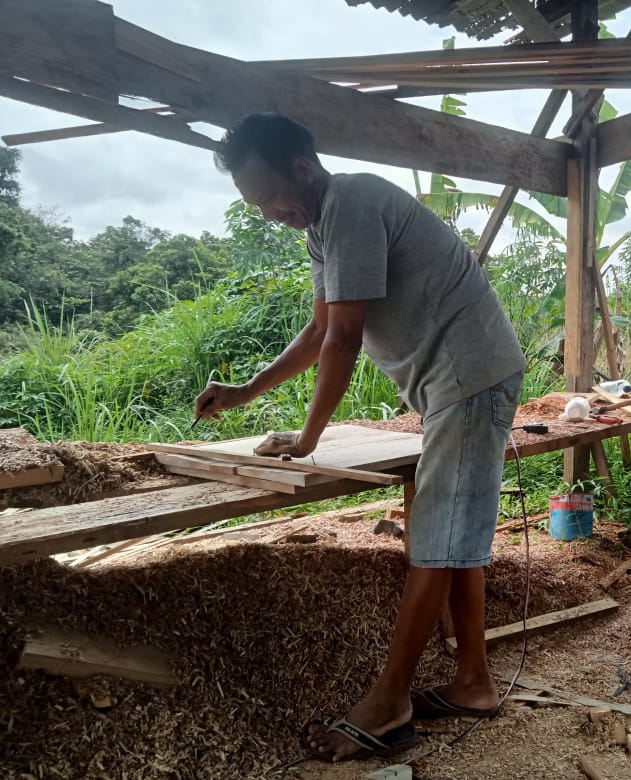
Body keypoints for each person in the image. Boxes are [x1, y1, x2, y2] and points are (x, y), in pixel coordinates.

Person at [195, 113, 526, 761]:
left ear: (301, 168)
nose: (270, 214)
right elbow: (322, 328)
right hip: (456, 384)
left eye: (270, 197)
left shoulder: (352, 203)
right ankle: (474, 682)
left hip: (470, 377)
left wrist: (307, 439)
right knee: (454, 539)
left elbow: (345, 338)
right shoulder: (321, 226)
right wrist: (245, 392)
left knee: (434, 544)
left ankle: (389, 701)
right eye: (257, 205)